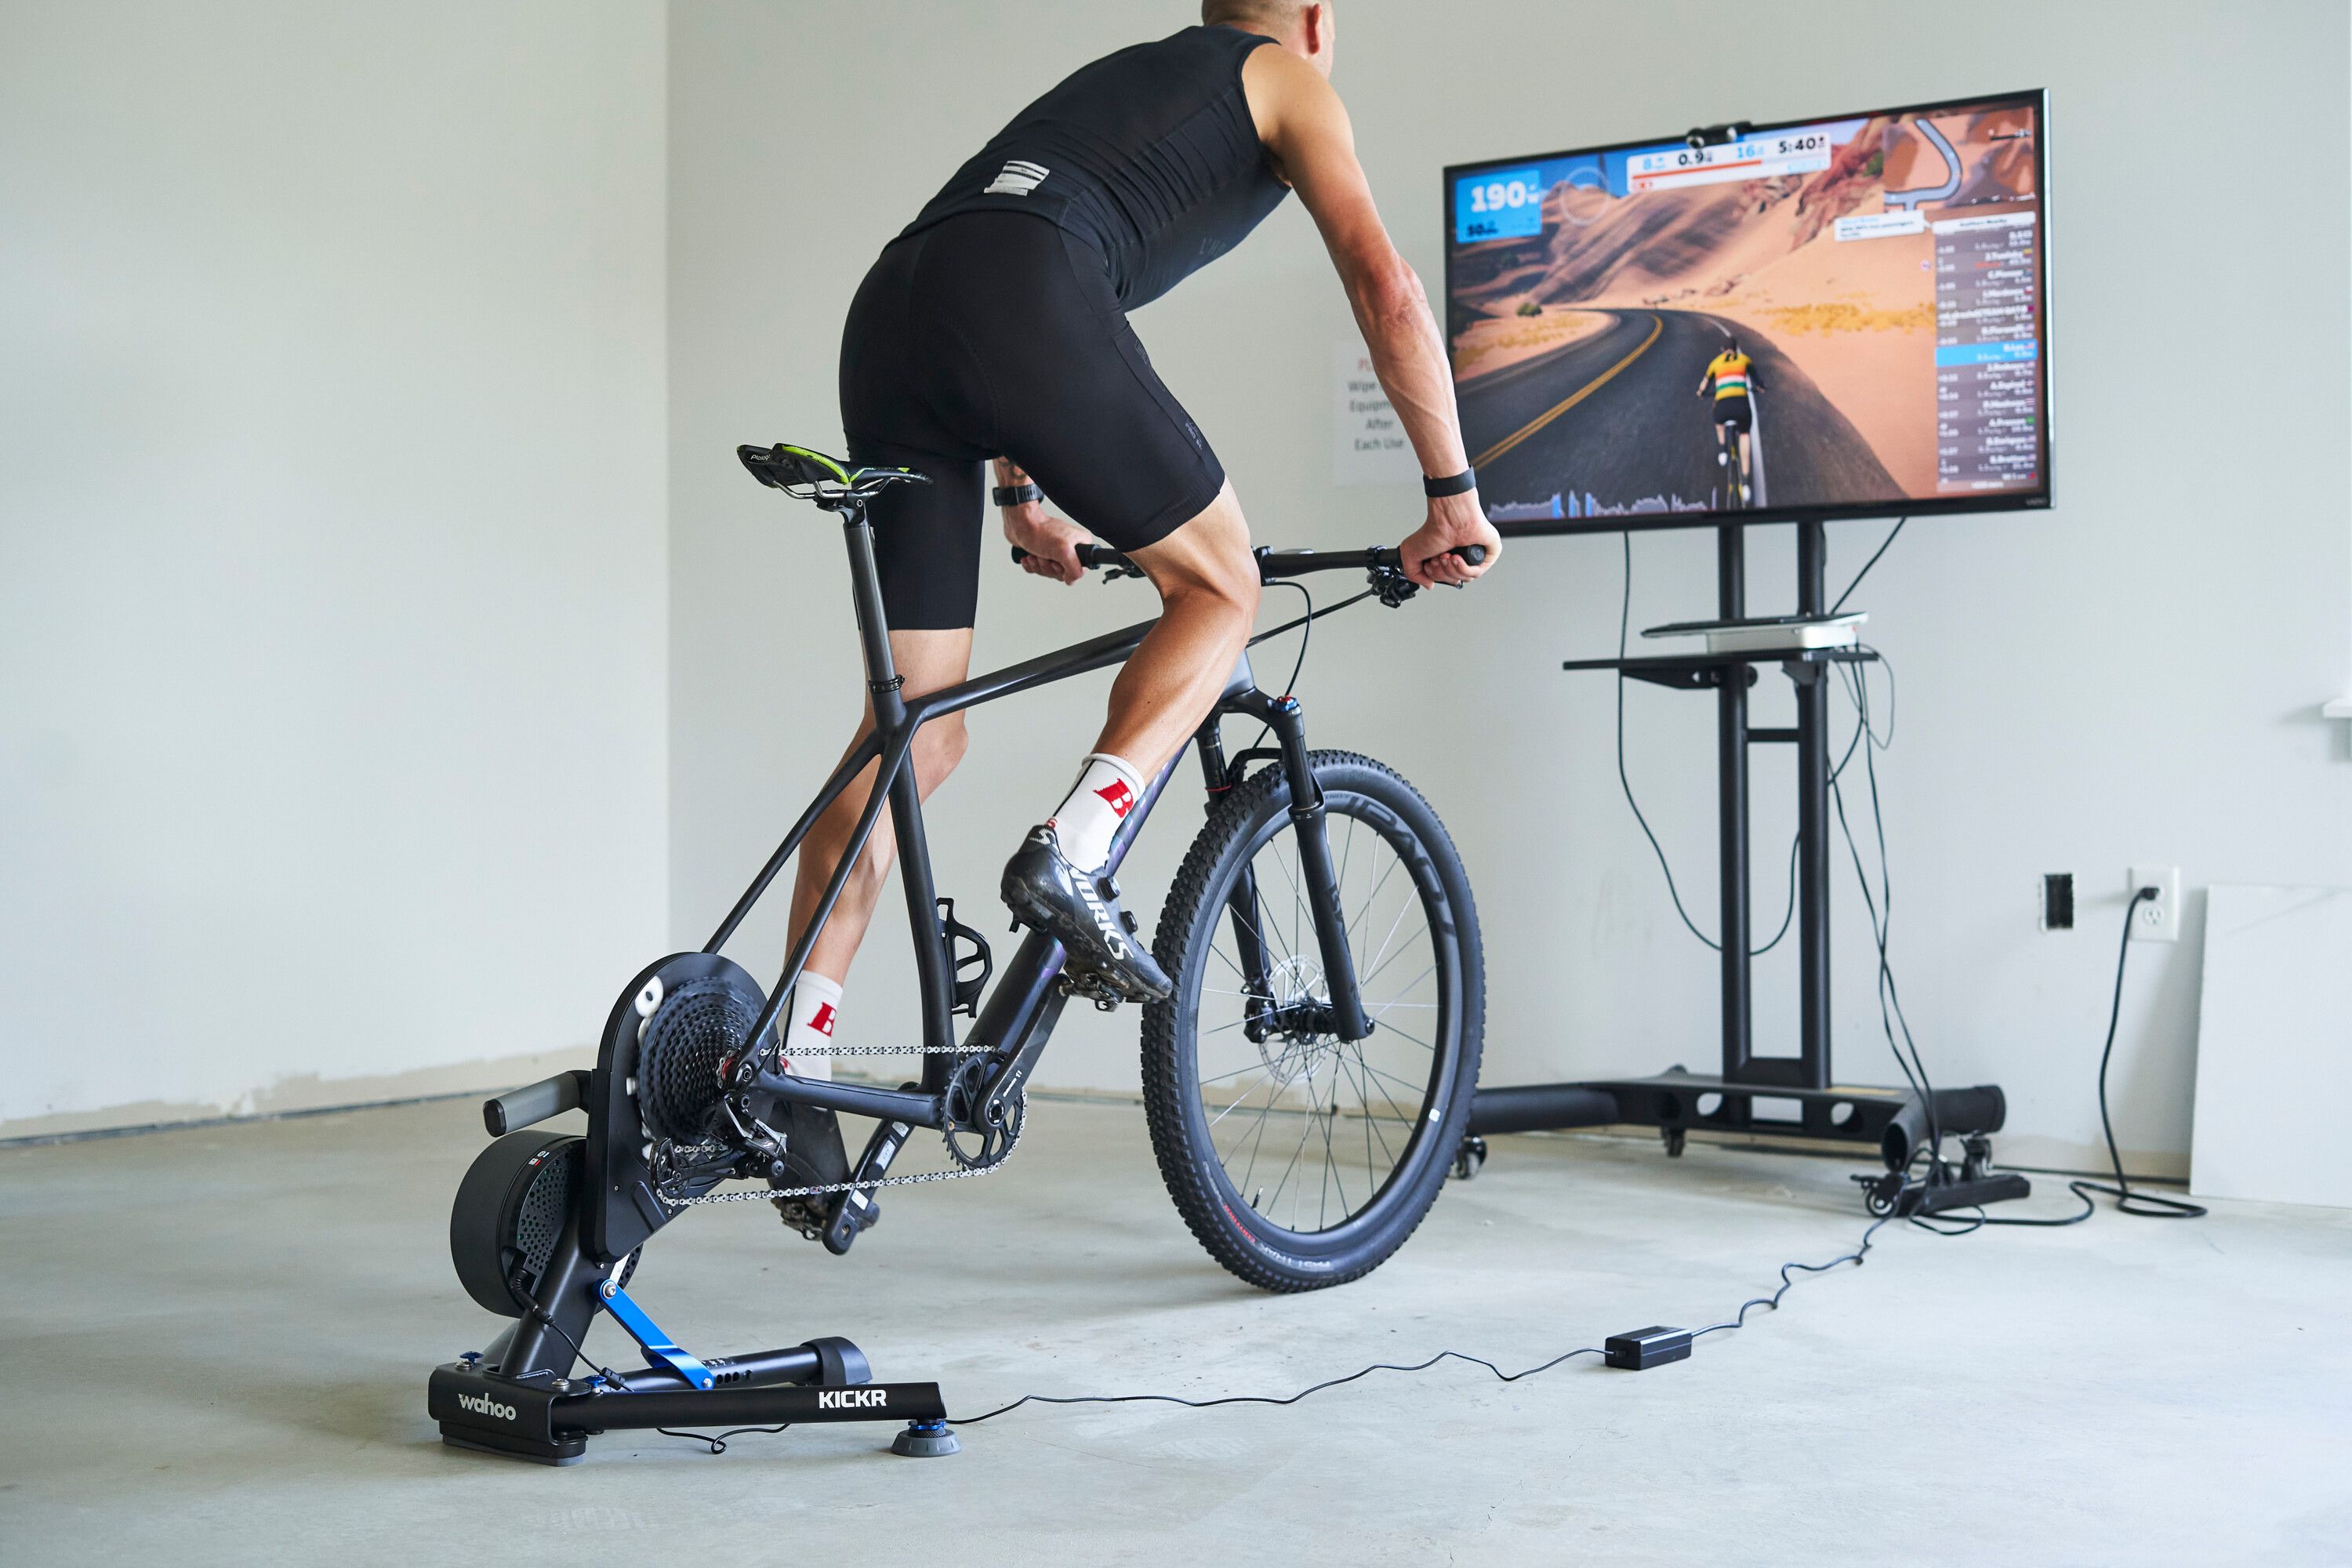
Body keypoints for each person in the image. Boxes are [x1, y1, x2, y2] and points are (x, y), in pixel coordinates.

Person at [780, 0, 1499, 1113]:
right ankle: (1072, 852)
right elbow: (1386, 284)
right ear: (1314, 18)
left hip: (894, 309)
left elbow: (992, 265)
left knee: (915, 731)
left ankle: (789, 1058)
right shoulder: (1290, 77)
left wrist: (1022, 497)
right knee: (1222, 587)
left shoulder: (1138, 78)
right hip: (1022, 291)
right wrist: (1451, 495)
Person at [1698, 338, 1759, 500]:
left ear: (1722, 349)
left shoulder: (1715, 363)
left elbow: (1705, 382)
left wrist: (1701, 392)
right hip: (1741, 406)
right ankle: (1746, 483)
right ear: (1737, 348)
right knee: (1745, 434)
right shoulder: (1745, 359)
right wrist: (1760, 387)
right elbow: (1756, 379)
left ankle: (1723, 450)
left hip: (1723, 408)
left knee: (1719, 423)